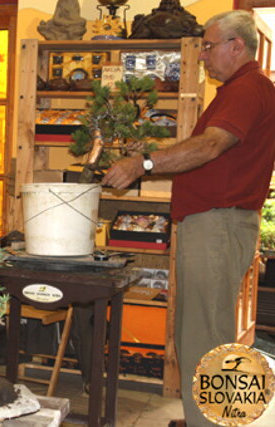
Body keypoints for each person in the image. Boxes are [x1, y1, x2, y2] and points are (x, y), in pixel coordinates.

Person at [102, 10, 275, 426]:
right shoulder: (242, 88)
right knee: (205, 331)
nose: (203, 55)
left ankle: (209, 422)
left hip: (219, 223)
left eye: (209, 46)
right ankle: (211, 418)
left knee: (203, 336)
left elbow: (211, 146)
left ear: (238, 46)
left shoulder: (248, 89)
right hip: (217, 223)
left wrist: (143, 163)